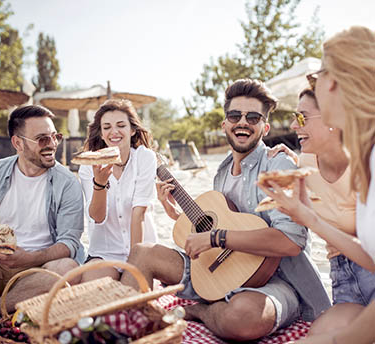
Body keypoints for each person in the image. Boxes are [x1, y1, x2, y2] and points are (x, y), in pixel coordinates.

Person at [120, 79, 331, 342]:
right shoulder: (221, 172)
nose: (243, 122)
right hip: (221, 271)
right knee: (142, 254)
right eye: (235, 115)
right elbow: (219, 222)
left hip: (276, 281)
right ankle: (123, 333)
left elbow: (291, 241)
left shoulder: (278, 165)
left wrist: (215, 238)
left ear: (264, 128)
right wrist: (178, 216)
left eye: (253, 117)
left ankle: (200, 311)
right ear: (224, 124)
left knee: (243, 317)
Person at [258, 26, 375, 344]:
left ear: (333, 81)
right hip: (344, 278)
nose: (315, 83)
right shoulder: (366, 154)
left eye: (318, 75)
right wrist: (308, 217)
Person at [0, 105, 86, 317]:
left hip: (39, 269)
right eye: (42, 139)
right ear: (18, 143)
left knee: (67, 268)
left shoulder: (67, 183)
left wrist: (29, 258)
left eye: (55, 137)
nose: (52, 145)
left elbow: (69, 243)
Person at [78, 99, 157, 282]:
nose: (114, 132)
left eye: (121, 125)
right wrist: (100, 184)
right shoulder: (89, 165)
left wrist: (134, 265)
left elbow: (139, 213)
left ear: (132, 130)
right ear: (102, 133)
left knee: (132, 296)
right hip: (105, 252)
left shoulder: (145, 158)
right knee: (93, 294)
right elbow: (97, 217)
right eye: (107, 127)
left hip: (142, 250)